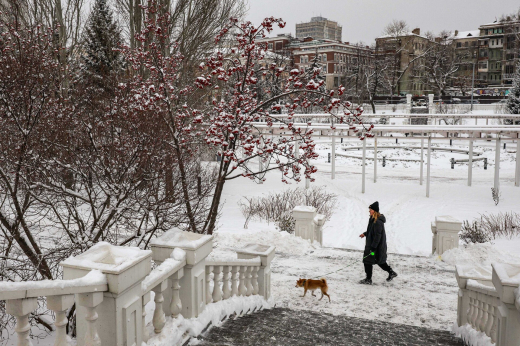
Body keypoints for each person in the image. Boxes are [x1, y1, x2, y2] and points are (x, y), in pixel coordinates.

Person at [358, 201, 397, 285]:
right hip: (374, 245)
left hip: (376, 246)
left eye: (370, 209)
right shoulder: (373, 219)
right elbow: (371, 231)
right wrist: (365, 234)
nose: (369, 211)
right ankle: (391, 272)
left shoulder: (378, 222)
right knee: (379, 261)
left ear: (374, 211)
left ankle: (368, 279)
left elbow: (377, 236)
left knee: (369, 261)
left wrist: (373, 247)